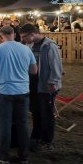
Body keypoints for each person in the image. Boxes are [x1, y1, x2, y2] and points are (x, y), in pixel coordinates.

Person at [0, 26, 38, 164]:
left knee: (5, 123)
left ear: (0, 36)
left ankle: (3, 154)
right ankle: (24, 155)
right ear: (14, 34)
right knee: (23, 123)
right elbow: (34, 70)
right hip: (22, 90)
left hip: (4, 90)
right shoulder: (26, 49)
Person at [20, 24, 63, 152]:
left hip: (46, 86)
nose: (22, 39)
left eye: (24, 37)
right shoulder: (29, 45)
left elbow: (56, 66)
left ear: (32, 34)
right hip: (34, 85)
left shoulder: (49, 46)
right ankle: (36, 136)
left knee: (47, 114)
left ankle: (47, 141)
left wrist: (53, 82)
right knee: (36, 112)